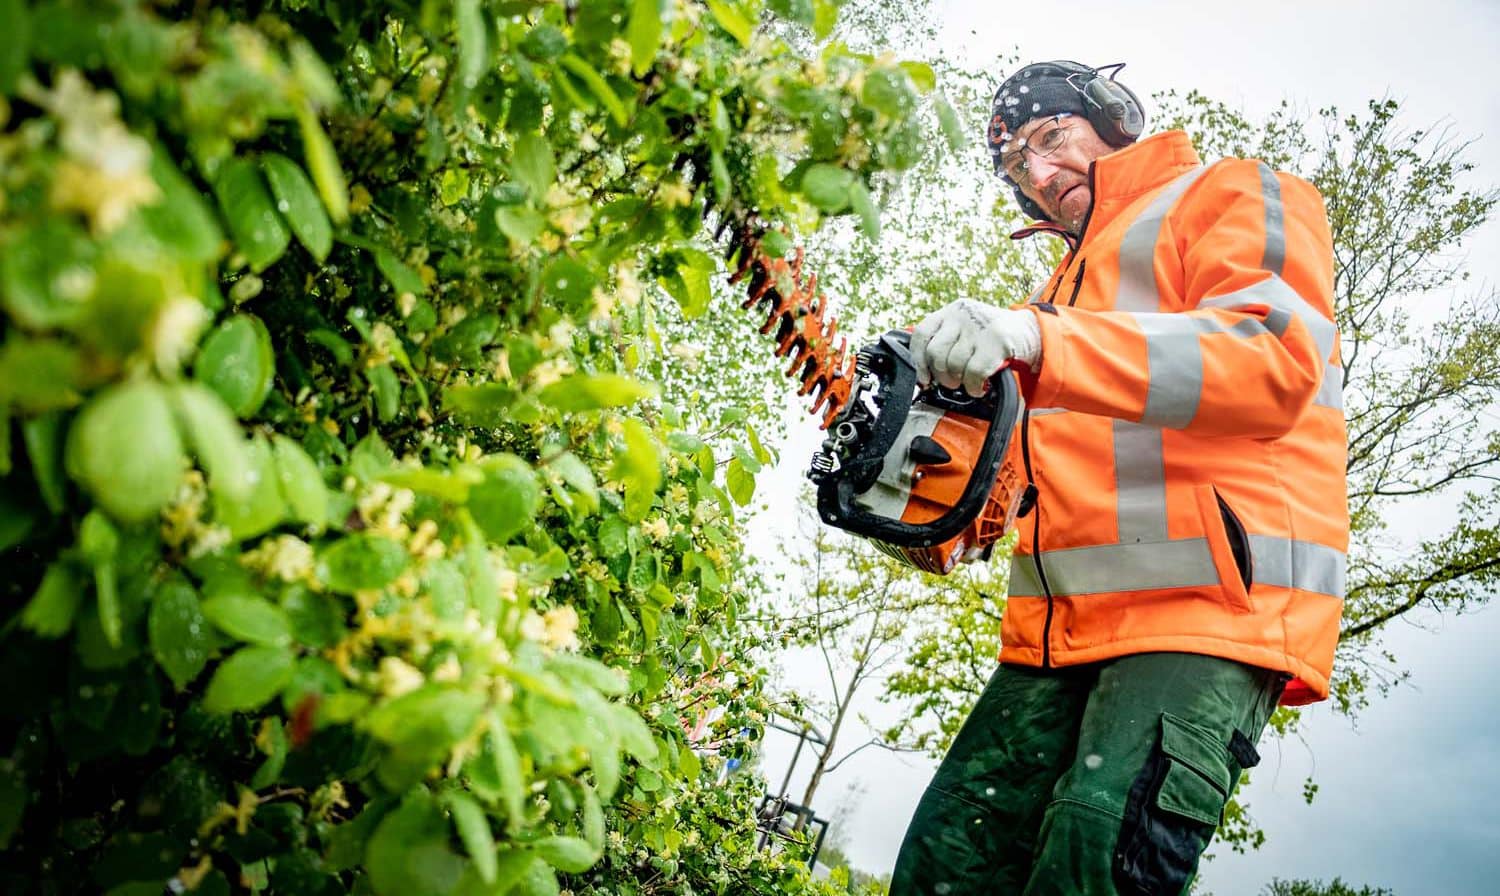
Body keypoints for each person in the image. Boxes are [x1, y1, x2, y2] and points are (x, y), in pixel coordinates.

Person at [889, 60, 1349, 895]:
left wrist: (1038, 339)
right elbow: (1018, 480)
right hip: (1054, 634)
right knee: (944, 862)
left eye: (1050, 139)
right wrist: (919, 491)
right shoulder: (1055, 292)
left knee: (1092, 860)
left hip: (1207, 615)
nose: (1037, 174)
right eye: (1014, 166)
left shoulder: (1235, 192)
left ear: (1113, 118)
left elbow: (1275, 360)